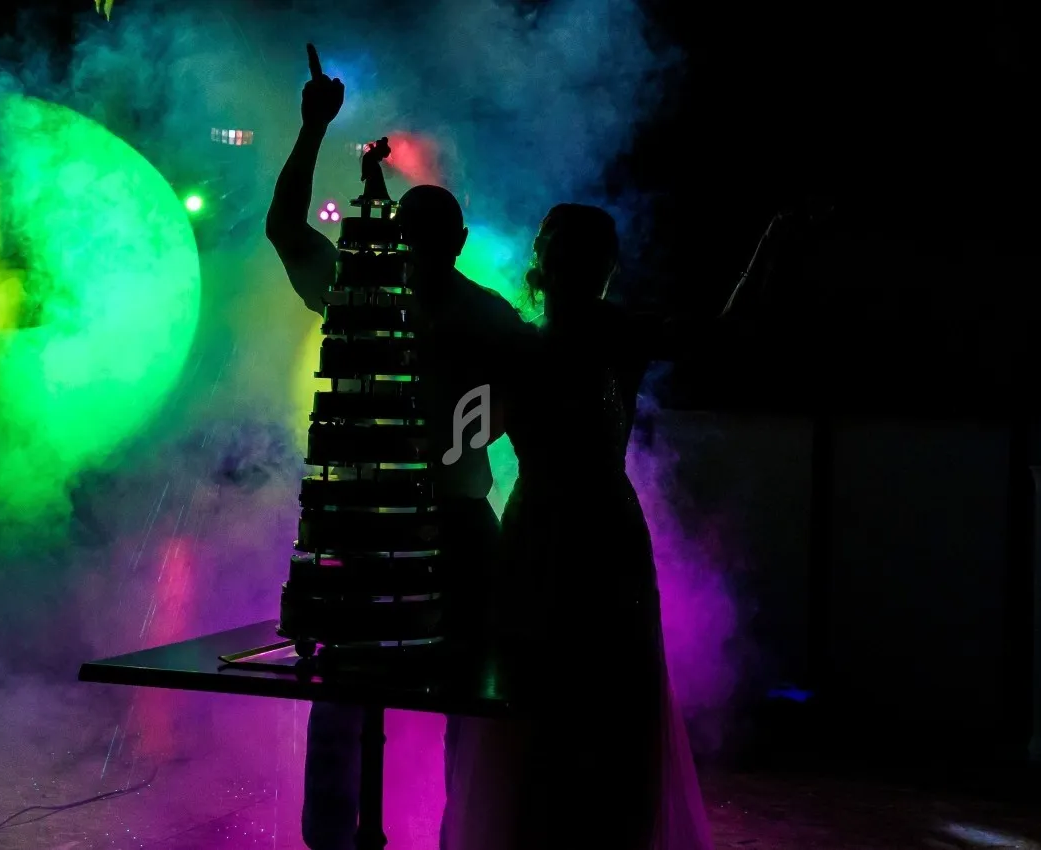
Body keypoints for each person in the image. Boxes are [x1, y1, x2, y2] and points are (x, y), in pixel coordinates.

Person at [265, 44, 532, 850]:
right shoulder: (488, 316)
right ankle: (455, 837)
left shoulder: (367, 291)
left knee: (353, 692)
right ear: (459, 238)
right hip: (448, 520)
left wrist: (313, 128)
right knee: (460, 699)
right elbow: (518, 410)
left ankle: (341, 839)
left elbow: (284, 229)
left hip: (373, 524)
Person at [442, 204, 725, 850]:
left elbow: (463, 440)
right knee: (588, 694)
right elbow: (722, 333)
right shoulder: (589, 339)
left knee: (561, 694)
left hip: (559, 531)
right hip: (587, 530)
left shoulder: (530, 344)